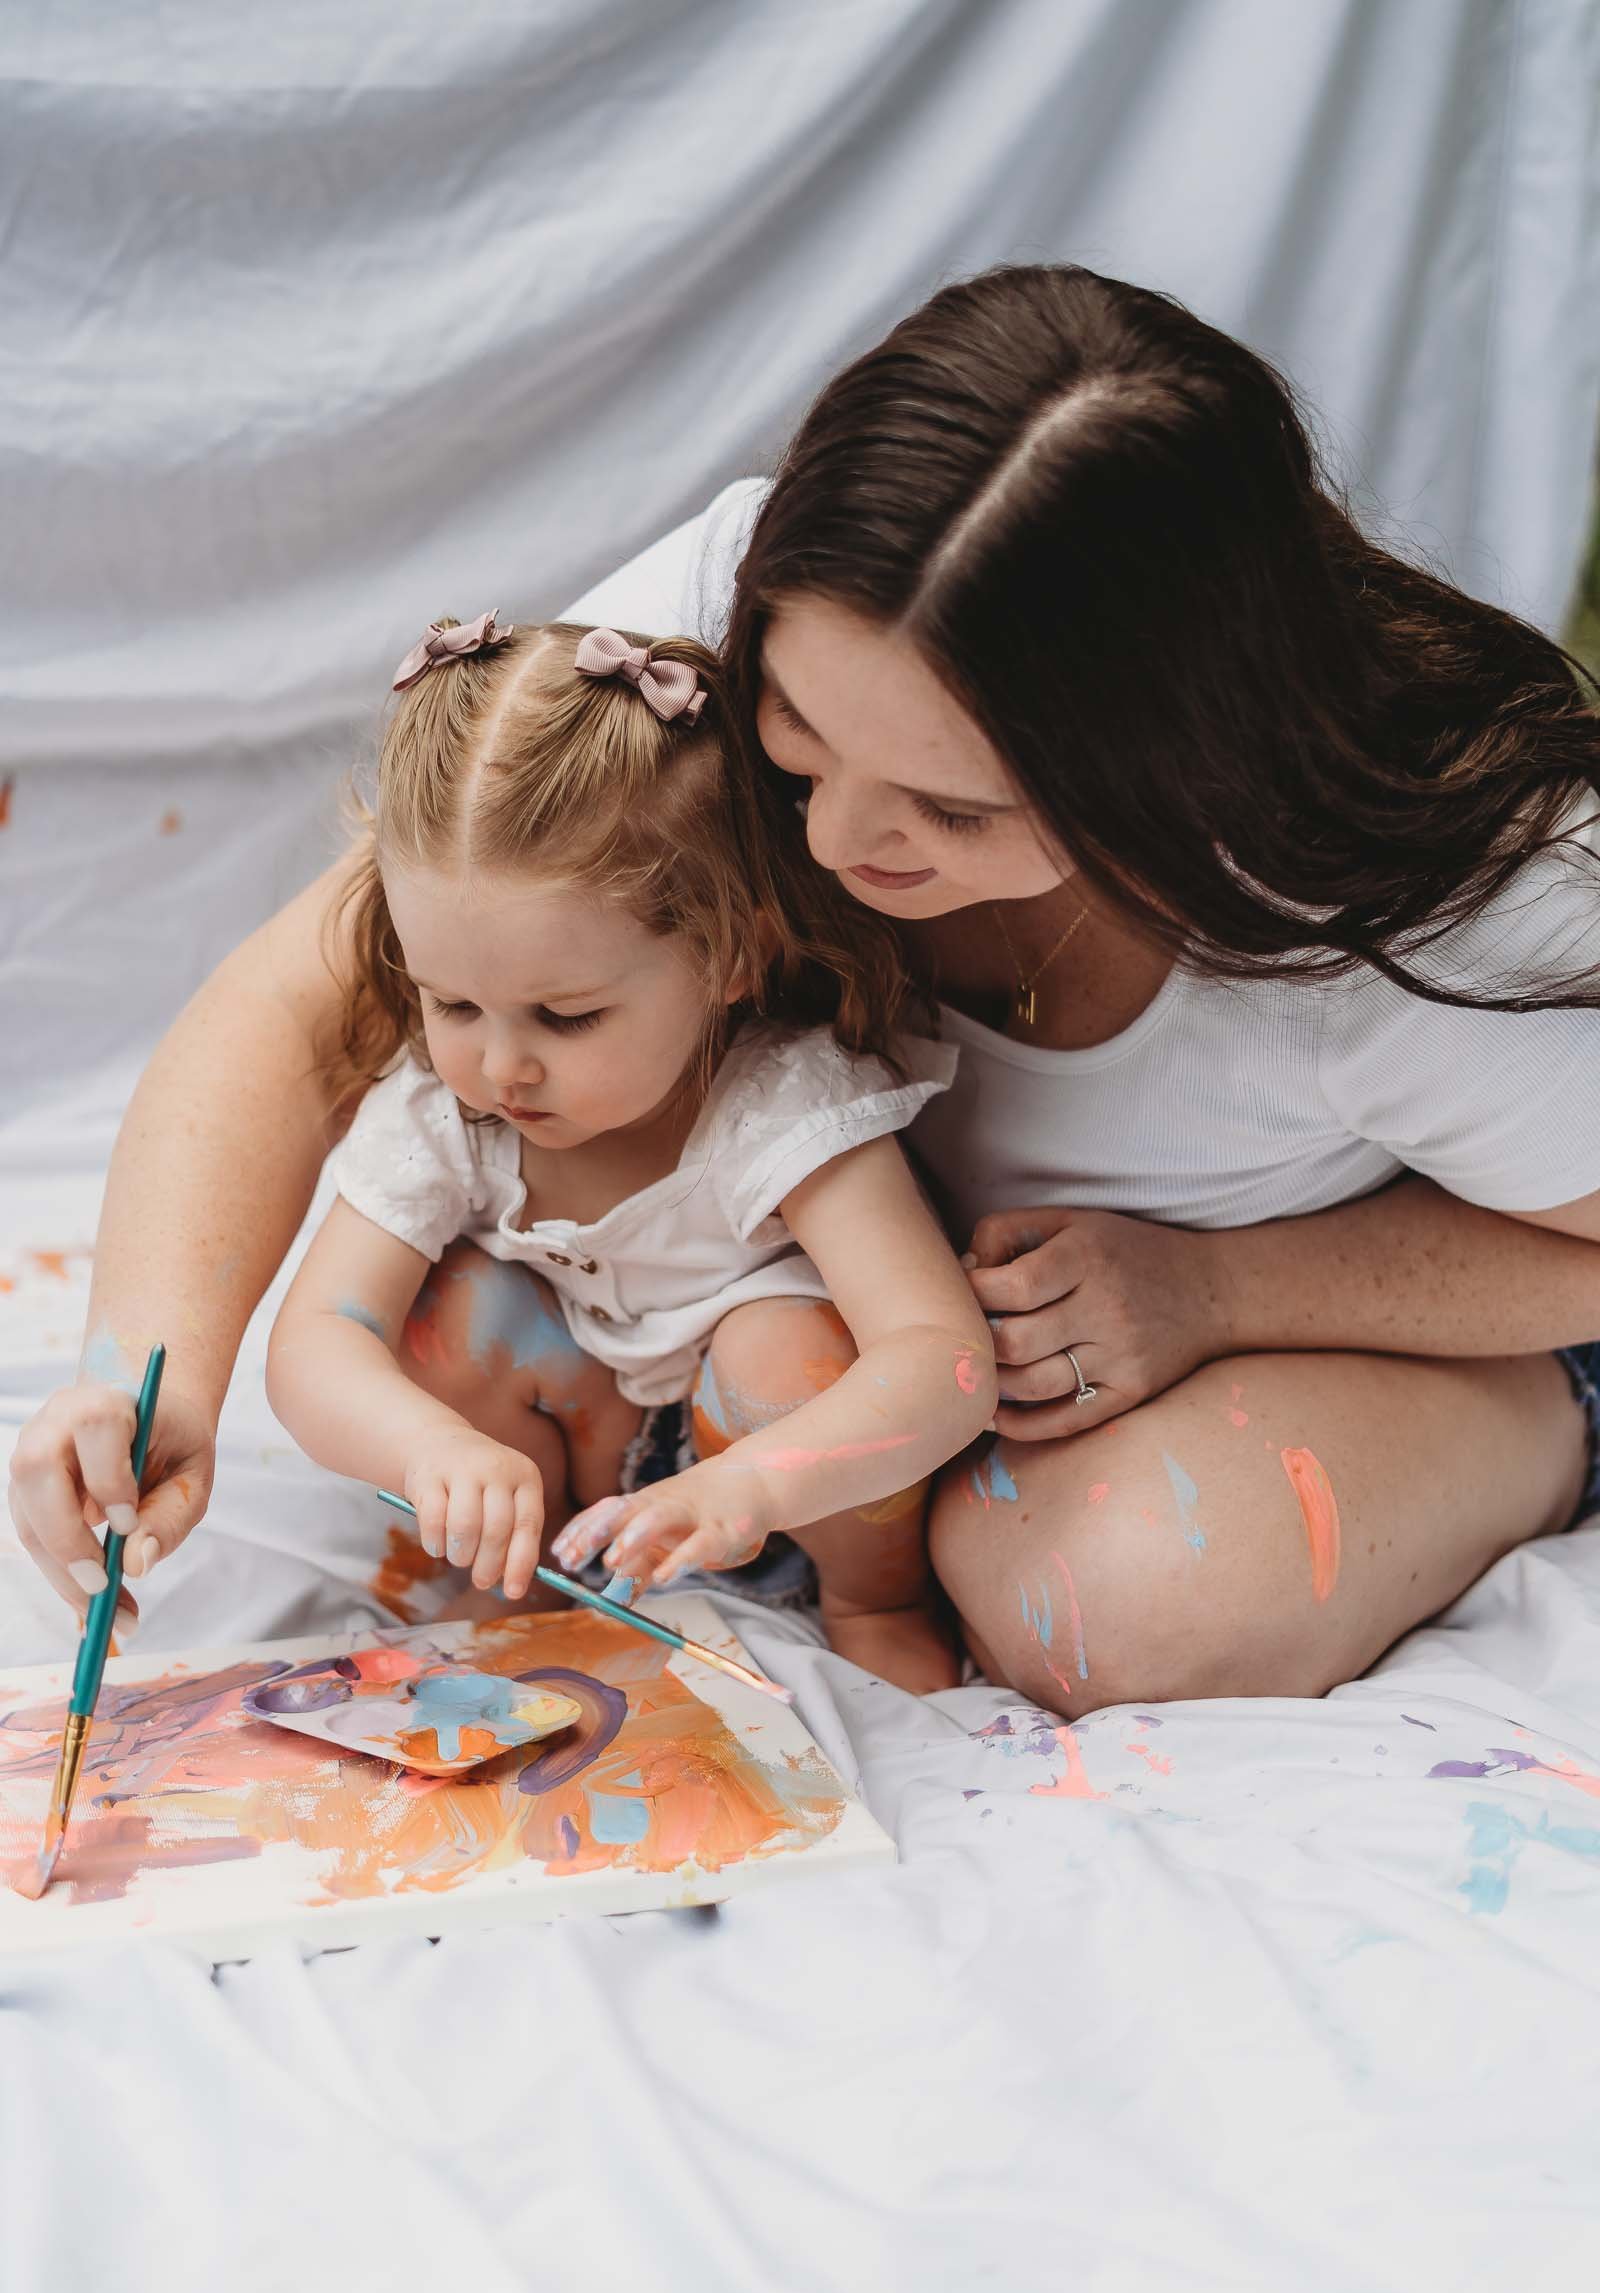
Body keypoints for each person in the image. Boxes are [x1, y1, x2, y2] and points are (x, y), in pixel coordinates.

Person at [12, 263, 1600, 1717]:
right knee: (432, 1338)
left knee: (1104, 1597)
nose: (832, 848)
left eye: (953, 812)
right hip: (859, 1332)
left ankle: (1536, 1433)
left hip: (1429, 1307)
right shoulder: (764, 620)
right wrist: (144, 1373)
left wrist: (1223, 1294)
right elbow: (316, 989)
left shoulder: (1459, 895)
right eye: (795, 745)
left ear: (1179, 761)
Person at [262, 612, 991, 1690]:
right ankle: (524, 1565)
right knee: (438, 1322)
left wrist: (756, 1489)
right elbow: (315, 1340)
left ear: (730, 955)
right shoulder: (446, 1108)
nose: (502, 1067)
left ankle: (871, 1598)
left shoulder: (779, 1105)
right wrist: (437, 1453)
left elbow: (943, 1362)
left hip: (785, 1478)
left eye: (565, 1017)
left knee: (785, 1353)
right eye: (454, 1001)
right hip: (590, 1453)